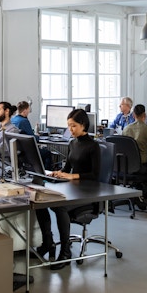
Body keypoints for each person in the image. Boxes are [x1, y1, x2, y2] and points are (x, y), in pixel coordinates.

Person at [35, 109, 100, 270]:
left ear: (83, 125)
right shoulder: (72, 143)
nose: (70, 129)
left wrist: (73, 176)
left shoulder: (94, 146)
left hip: (88, 193)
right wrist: (59, 173)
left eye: (74, 126)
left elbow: (94, 175)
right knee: (39, 199)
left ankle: (65, 252)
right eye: (69, 126)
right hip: (73, 189)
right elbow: (67, 167)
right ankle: (47, 242)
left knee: (60, 206)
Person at [11, 101, 52, 170]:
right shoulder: (24, 121)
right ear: (24, 110)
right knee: (47, 153)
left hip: (17, 150)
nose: (29, 111)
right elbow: (33, 138)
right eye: (28, 109)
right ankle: (46, 174)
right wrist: (38, 136)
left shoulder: (13, 119)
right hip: (27, 151)